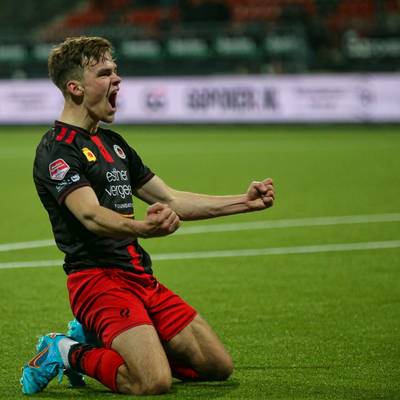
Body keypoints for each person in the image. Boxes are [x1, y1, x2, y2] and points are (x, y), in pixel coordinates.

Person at [20, 36, 275, 396]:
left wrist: (244, 202)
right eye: (105, 73)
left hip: (140, 276)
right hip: (97, 281)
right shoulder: (57, 149)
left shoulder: (115, 144)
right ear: (75, 88)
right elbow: (90, 216)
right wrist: (144, 227)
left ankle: (104, 337)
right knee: (152, 381)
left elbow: (171, 198)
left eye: (115, 70)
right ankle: (64, 351)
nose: (117, 79)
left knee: (217, 366)